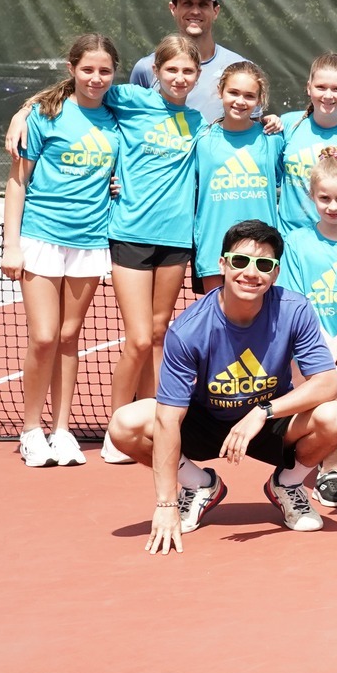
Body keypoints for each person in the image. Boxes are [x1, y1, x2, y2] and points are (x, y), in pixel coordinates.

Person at [114, 219, 337, 552]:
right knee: (125, 425)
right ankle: (198, 485)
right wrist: (165, 504)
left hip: (270, 423)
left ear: (275, 273)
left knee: (335, 417)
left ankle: (288, 484)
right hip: (207, 423)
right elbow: (168, 419)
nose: (251, 273)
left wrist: (263, 411)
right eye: (240, 261)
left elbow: (327, 383)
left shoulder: (294, 309)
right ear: (223, 264)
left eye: (264, 265)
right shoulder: (189, 329)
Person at [3, 34, 119, 467]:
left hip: (91, 242)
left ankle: (62, 429)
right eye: (87, 69)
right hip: (40, 238)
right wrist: (11, 245)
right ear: (72, 68)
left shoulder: (115, 118)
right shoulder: (44, 114)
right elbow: (17, 182)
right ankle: (31, 428)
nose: (96, 77)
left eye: (104, 70)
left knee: (70, 337)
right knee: (45, 336)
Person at [101, 37, 205, 463]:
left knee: (160, 334)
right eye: (172, 70)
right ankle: (117, 427)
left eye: (188, 72)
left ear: (197, 76)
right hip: (129, 232)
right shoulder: (130, 99)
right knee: (139, 338)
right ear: (155, 71)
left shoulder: (198, 120)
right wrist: (24, 111)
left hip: (177, 239)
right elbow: (77, 92)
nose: (179, 78)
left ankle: (156, 420)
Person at [280, 146, 337, 508]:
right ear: (312, 196)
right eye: (324, 198)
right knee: (329, 398)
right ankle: (330, 473)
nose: (333, 206)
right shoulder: (297, 242)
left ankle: (335, 457)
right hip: (312, 341)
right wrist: (325, 343)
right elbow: (297, 299)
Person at [192, 62, 283, 295]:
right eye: (233, 92)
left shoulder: (272, 138)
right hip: (214, 249)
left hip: (262, 252)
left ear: (259, 100)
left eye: (249, 96)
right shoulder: (201, 139)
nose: (240, 101)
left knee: (259, 325)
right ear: (221, 90)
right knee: (217, 323)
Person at [126, 0, 250, 124]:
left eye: (203, 4)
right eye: (187, 3)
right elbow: (133, 121)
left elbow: (252, 125)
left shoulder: (240, 68)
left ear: (215, 11)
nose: (195, 11)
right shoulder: (146, 68)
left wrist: (270, 121)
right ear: (173, 8)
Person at [276, 55, 337, 235]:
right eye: (321, 87)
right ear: (309, 87)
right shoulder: (287, 125)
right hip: (287, 240)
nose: (328, 95)